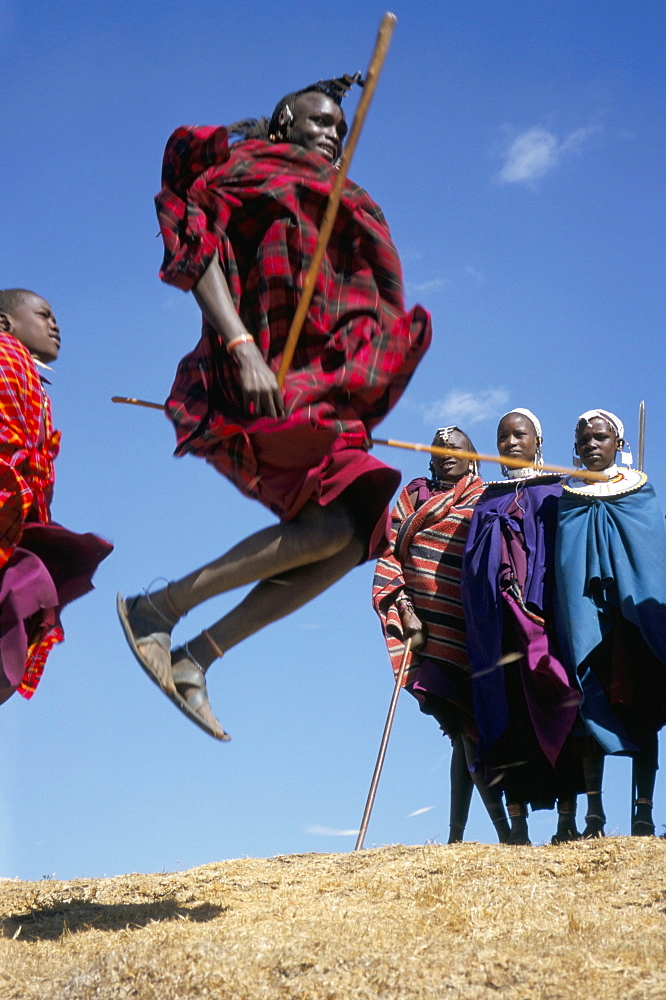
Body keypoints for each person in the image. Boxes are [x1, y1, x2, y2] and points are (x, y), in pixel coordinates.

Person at [117, 76, 431, 740]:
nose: (331, 134)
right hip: (252, 374)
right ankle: (159, 610)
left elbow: (357, 305)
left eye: (341, 131)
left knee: (353, 534)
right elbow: (196, 248)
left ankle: (194, 655)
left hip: (312, 390)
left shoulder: (343, 203)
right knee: (335, 524)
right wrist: (240, 345)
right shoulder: (242, 170)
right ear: (284, 120)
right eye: (318, 121)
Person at [372, 426, 509, 843]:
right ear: (429, 459)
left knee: (464, 733)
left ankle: (457, 836)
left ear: (473, 456)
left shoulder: (488, 496)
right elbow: (388, 549)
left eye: (456, 447)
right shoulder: (414, 497)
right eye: (438, 448)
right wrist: (406, 609)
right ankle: (504, 833)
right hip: (425, 629)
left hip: (472, 627)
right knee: (459, 722)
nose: (447, 452)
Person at [461, 409, 583, 844]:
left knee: (561, 705)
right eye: (502, 437)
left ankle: (568, 818)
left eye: (519, 435)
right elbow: (472, 566)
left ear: (537, 441)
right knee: (508, 717)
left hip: (545, 622)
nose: (510, 443)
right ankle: (518, 826)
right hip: (497, 629)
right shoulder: (486, 499)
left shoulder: (556, 490)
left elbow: (562, 555)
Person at [555, 409, 666, 837]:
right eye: (583, 441)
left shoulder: (639, 491)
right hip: (588, 618)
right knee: (590, 708)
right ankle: (594, 815)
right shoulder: (568, 497)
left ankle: (643, 813)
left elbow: (652, 555)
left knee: (643, 706)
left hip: (632, 621)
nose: (591, 446)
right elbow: (567, 561)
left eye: (600, 438)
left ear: (618, 443)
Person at [0, 289, 112, 705]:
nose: (56, 325)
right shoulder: (6, 355)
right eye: (44, 314)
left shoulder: (31, 378)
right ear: (5, 324)